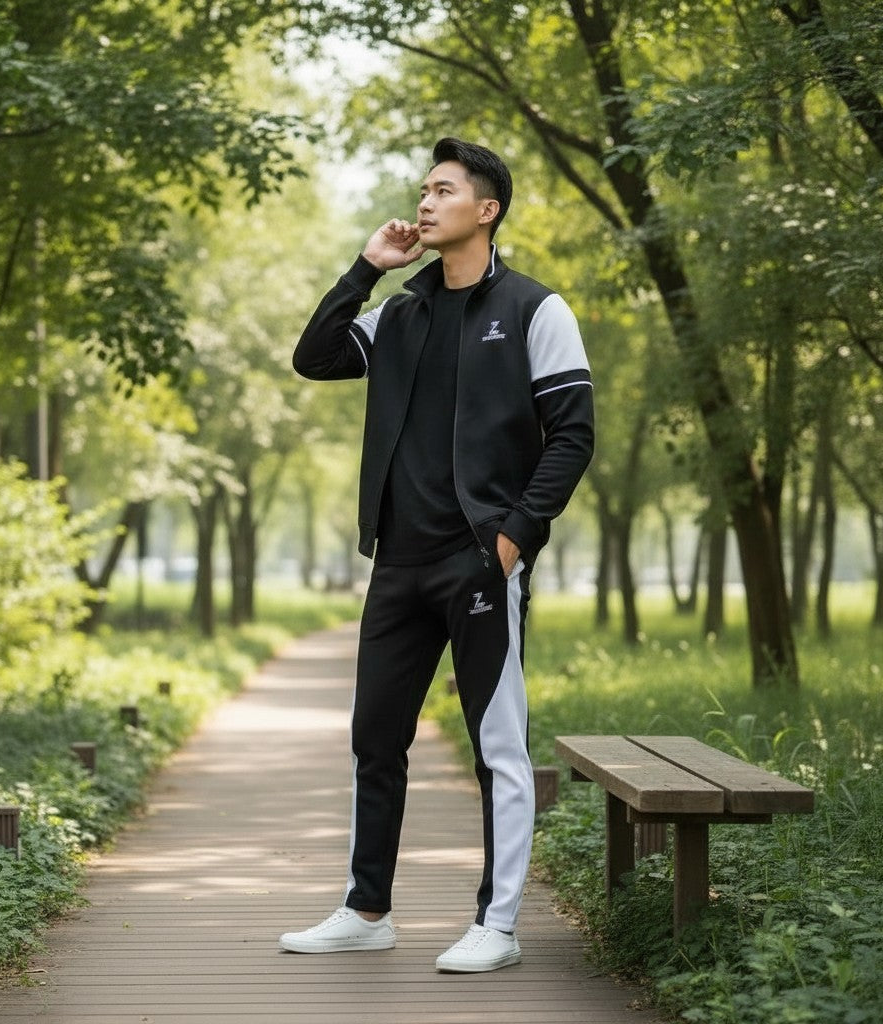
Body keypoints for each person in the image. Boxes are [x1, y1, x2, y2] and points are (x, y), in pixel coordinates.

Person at [279, 137, 594, 973]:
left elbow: (573, 436)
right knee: (374, 740)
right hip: (399, 565)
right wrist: (366, 267)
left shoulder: (536, 309)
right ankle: (367, 908)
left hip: (481, 563)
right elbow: (313, 357)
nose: (423, 203)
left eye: (443, 190)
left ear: (485, 210)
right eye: (422, 190)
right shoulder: (399, 315)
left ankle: (498, 924)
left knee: (498, 746)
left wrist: (513, 538)